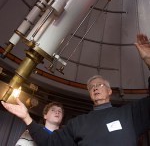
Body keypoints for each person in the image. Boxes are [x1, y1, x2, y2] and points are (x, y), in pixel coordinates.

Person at [1, 33, 150, 146]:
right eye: (91, 87)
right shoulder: (78, 123)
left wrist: (148, 60)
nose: (95, 88)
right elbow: (50, 142)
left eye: (99, 85)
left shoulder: (130, 113)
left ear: (110, 91)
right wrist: (26, 116)